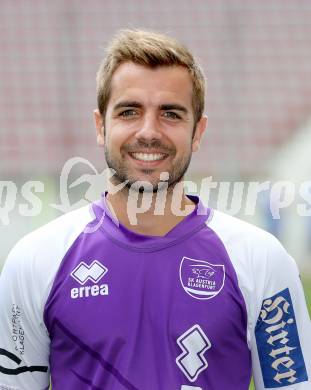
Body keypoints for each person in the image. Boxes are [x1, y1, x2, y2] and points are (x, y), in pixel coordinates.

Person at [0, 29, 310, 390]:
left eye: (171, 114)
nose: (149, 131)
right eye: (129, 111)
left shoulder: (261, 261)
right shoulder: (37, 260)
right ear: (101, 125)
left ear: (198, 131)